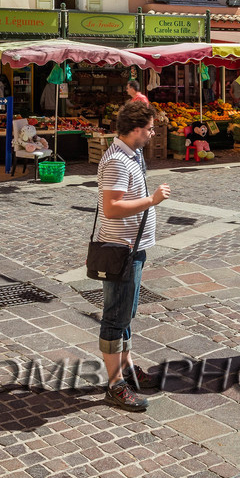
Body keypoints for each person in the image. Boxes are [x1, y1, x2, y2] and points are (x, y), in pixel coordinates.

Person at [93, 100, 171, 412]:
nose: (153, 134)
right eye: (150, 129)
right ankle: (115, 385)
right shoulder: (116, 161)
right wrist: (152, 200)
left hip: (132, 246)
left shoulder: (131, 154)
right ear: (136, 130)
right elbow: (111, 207)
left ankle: (126, 370)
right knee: (115, 317)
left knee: (125, 314)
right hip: (120, 248)